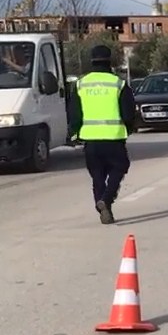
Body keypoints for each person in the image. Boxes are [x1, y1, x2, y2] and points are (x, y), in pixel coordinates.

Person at [69, 45, 136, 225]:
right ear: (109, 61)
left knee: (97, 176)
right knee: (120, 166)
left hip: (90, 139)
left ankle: (104, 210)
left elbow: (74, 113)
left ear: (91, 60)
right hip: (114, 137)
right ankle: (106, 200)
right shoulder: (118, 83)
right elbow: (129, 112)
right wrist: (129, 128)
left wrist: (74, 133)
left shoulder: (81, 84)